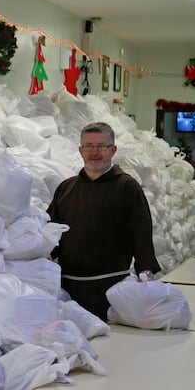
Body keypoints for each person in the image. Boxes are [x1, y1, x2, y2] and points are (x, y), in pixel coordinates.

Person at [47, 122, 161, 321]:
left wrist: (145, 269)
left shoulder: (127, 187)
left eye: (102, 146)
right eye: (89, 146)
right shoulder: (66, 188)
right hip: (69, 287)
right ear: (80, 150)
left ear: (113, 150)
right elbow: (52, 229)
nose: (95, 152)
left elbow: (140, 231)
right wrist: (45, 252)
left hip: (111, 287)